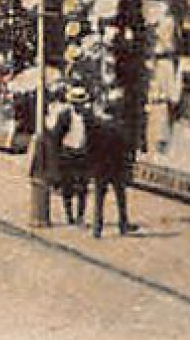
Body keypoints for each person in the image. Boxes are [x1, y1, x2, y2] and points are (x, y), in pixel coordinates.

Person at [85, 96, 134, 238]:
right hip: (117, 168)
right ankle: (123, 224)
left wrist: (92, 165)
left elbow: (91, 147)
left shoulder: (97, 127)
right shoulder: (120, 128)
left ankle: (97, 228)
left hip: (101, 168)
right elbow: (126, 150)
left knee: (99, 199)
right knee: (121, 198)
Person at [49, 84, 90, 226]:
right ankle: (69, 215)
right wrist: (57, 157)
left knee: (83, 187)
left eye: (81, 103)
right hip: (67, 154)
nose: (79, 106)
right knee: (68, 187)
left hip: (82, 155)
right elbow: (56, 137)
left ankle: (80, 216)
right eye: (76, 103)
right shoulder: (65, 116)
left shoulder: (88, 117)